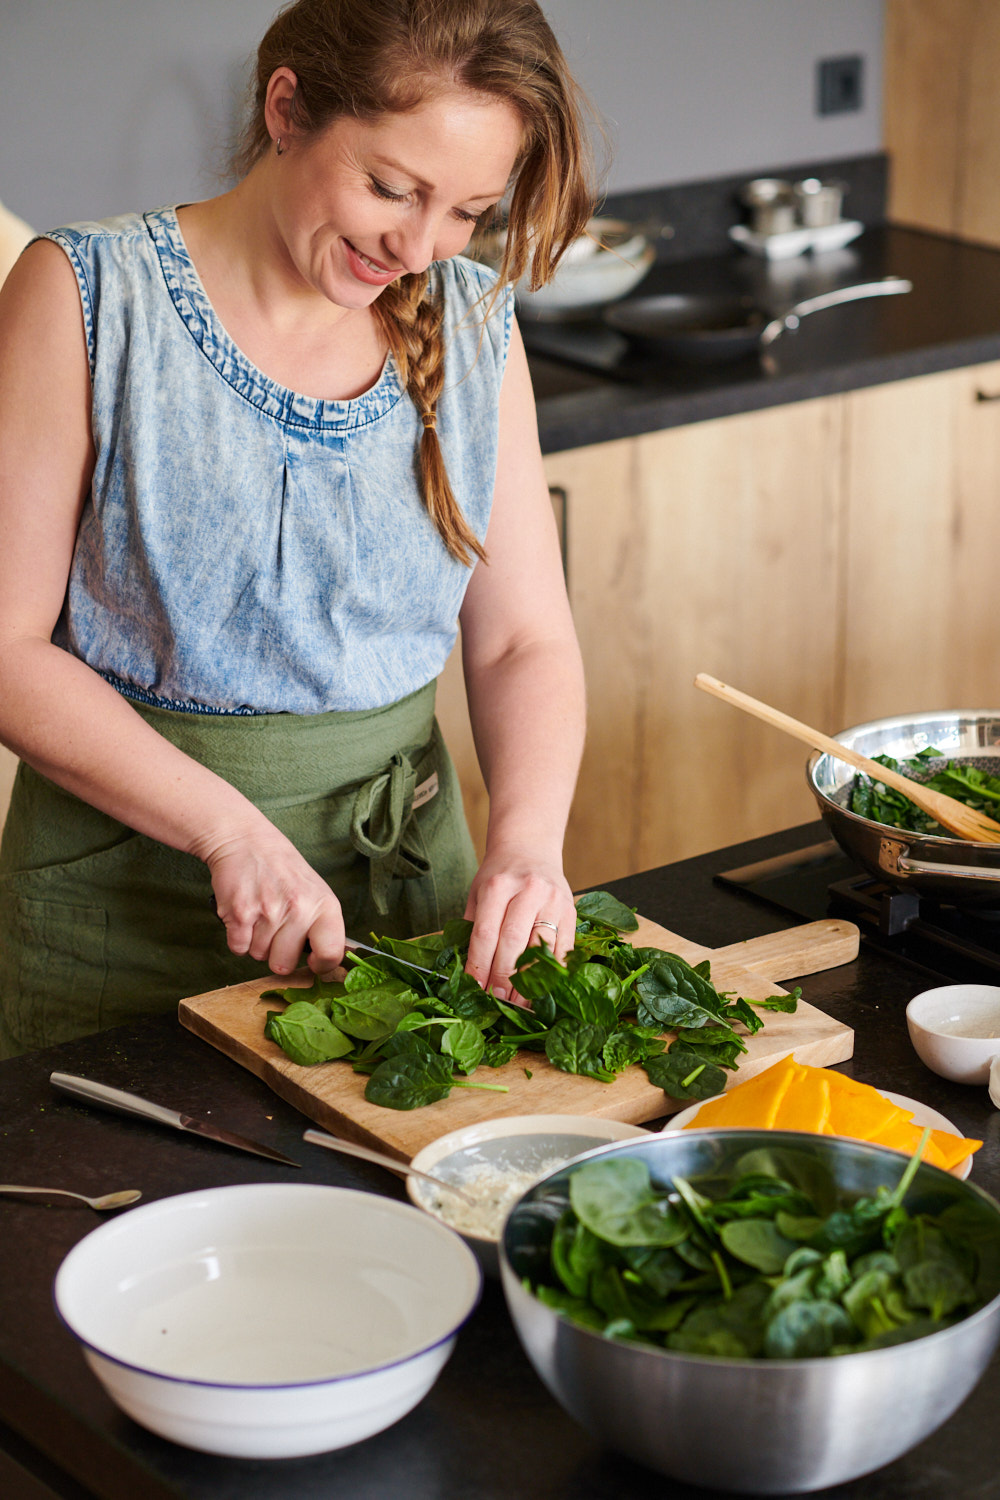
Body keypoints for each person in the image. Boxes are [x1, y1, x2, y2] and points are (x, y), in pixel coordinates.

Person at [0, 0, 596, 1057]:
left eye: (466, 210)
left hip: (409, 896)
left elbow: (521, 639)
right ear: (287, 110)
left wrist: (526, 847)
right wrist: (227, 828)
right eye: (389, 187)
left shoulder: (470, 318)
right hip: (124, 903)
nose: (417, 247)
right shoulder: (87, 295)